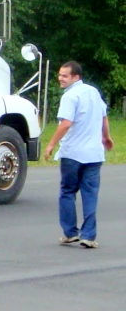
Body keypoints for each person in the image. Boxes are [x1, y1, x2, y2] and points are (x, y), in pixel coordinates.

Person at [44, 61, 114, 249]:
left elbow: (66, 124)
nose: (60, 78)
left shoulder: (70, 96)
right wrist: (106, 137)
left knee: (67, 191)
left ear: (76, 77)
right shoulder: (93, 92)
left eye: (65, 75)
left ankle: (70, 233)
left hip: (73, 152)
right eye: (60, 75)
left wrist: (51, 144)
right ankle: (89, 236)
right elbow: (103, 117)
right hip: (94, 153)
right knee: (90, 193)